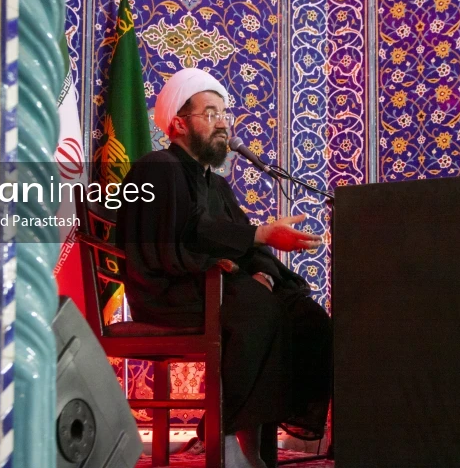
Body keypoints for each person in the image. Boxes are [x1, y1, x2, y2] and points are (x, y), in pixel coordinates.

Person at [116, 68, 332, 468]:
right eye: (210, 114)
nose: (223, 125)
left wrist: (265, 273)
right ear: (179, 124)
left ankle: (251, 429)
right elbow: (192, 235)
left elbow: (239, 237)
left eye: (224, 114)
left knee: (306, 316)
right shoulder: (156, 168)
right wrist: (260, 236)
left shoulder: (216, 185)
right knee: (256, 310)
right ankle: (228, 438)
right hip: (167, 290)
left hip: (216, 287)